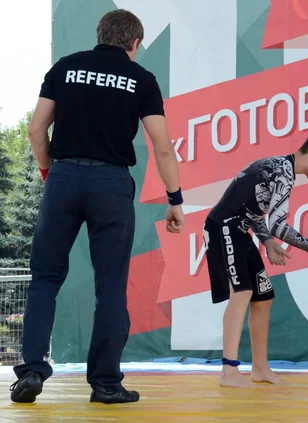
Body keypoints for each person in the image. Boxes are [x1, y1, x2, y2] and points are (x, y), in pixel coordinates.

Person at [9, 9, 185, 404]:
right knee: (110, 288)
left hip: (64, 177)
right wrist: (175, 200)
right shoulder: (141, 79)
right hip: (111, 184)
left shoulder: (66, 67)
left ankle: (33, 371)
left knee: (45, 279)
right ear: (134, 43)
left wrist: (47, 169)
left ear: (99, 34)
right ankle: (105, 383)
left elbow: (37, 128)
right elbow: (162, 146)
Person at [203, 130, 308, 388]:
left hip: (239, 229)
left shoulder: (278, 165)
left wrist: (267, 242)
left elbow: (252, 209)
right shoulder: (284, 173)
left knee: (264, 297)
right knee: (242, 292)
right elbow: (278, 226)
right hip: (223, 227)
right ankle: (229, 371)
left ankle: (260, 368)